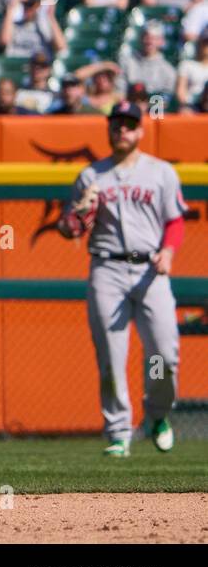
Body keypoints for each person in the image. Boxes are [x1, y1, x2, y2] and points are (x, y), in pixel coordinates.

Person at [57, 101, 185, 458]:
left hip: (150, 270)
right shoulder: (90, 176)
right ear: (109, 130)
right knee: (112, 357)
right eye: (117, 125)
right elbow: (68, 229)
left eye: (129, 125)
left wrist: (169, 252)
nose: (122, 131)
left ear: (141, 130)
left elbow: (175, 221)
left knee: (163, 353)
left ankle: (157, 414)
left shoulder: (160, 173)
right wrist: (79, 215)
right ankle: (118, 433)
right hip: (107, 268)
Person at [0, 0, 66, 60]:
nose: (26, 9)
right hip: (16, 67)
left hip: (38, 66)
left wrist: (50, 15)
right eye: (24, 4)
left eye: (30, 4)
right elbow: (4, 42)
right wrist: (11, 9)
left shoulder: (45, 25)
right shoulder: (13, 24)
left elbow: (61, 47)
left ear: (38, 5)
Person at [119, 23, 177, 100]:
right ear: (140, 38)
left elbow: (166, 99)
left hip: (154, 109)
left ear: (161, 41)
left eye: (154, 38)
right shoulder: (126, 63)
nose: (150, 42)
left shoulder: (169, 71)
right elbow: (119, 92)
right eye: (147, 37)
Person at [176, 33, 208, 110]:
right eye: (206, 43)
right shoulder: (186, 65)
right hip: (191, 107)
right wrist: (185, 106)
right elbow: (181, 91)